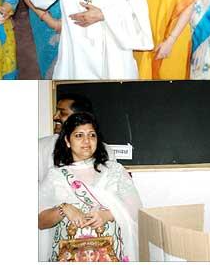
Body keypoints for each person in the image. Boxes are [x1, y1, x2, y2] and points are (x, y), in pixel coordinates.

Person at [39, 112, 141, 261]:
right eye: (79, 135)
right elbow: (40, 221)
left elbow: (135, 209)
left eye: (92, 135)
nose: (87, 140)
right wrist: (64, 209)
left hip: (110, 254)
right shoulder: (56, 176)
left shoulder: (115, 171)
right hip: (68, 256)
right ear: (67, 140)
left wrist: (108, 215)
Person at [39, 92, 115, 183]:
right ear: (67, 142)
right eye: (79, 136)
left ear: (79, 116)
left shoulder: (105, 151)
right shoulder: (40, 146)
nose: (55, 117)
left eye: (62, 113)